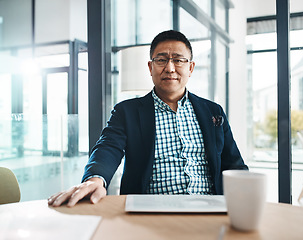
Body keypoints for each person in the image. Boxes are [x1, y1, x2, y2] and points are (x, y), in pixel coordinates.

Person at [48, 30, 248, 207]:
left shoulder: (213, 111)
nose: (170, 68)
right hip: (148, 212)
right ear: (150, 67)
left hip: (210, 210)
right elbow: (107, 148)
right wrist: (95, 180)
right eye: (161, 60)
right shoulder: (127, 111)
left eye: (178, 60)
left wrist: (247, 197)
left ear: (191, 67)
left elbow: (234, 164)